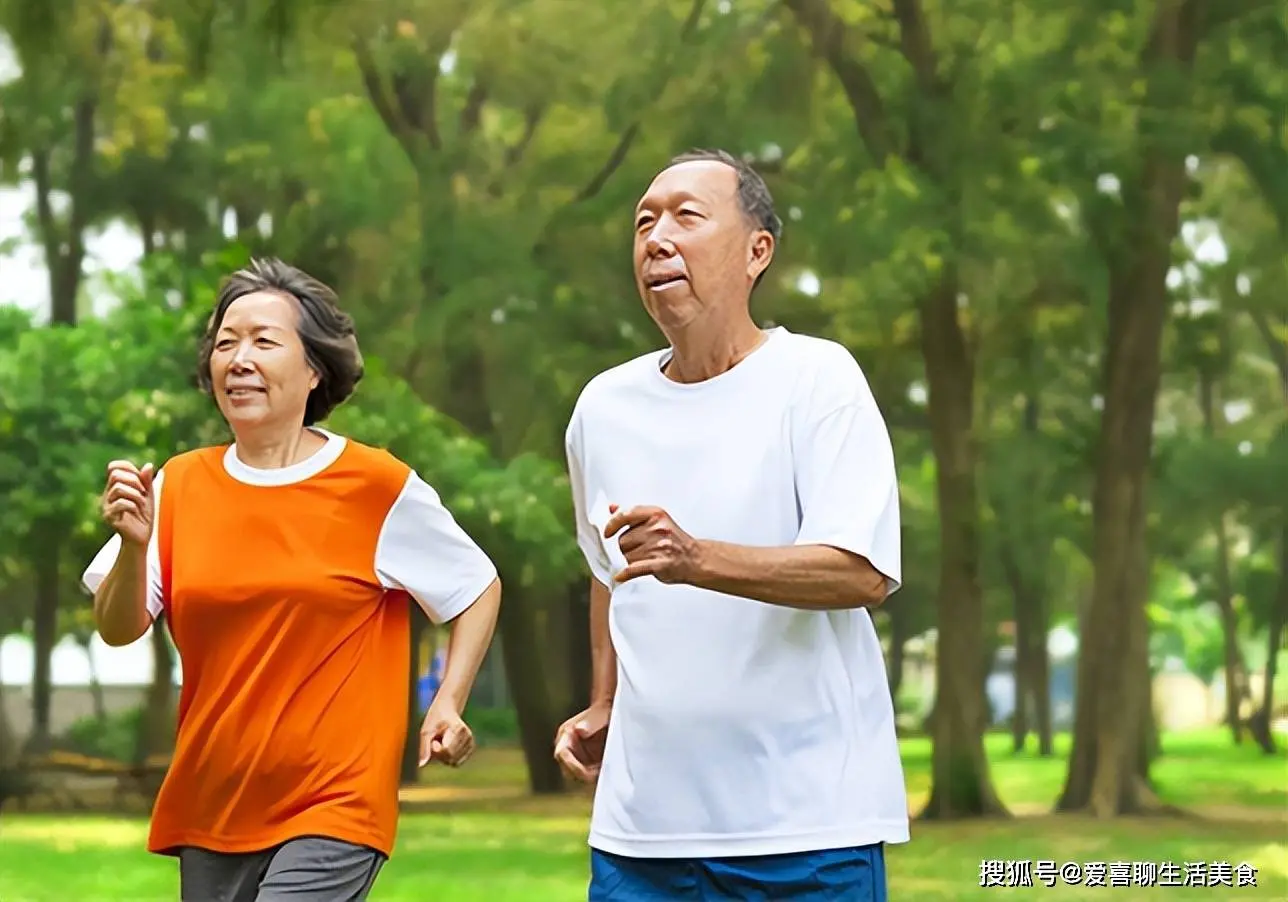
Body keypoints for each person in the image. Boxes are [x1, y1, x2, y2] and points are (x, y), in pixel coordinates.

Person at [83, 258, 502, 902]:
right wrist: (136, 548)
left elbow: (475, 585)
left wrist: (448, 700)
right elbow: (117, 628)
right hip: (215, 804)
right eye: (226, 343)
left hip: (334, 803)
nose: (239, 358)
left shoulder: (375, 486)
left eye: (263, 341)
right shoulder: (178, 484)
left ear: (313, 370)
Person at [554, 149, 908, 901]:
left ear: (758, 251)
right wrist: (605, 700)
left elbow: (861, 570)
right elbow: (608, 571)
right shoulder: (603, 407)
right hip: (640, 835)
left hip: (805, 828)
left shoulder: (818, 380)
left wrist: (698, 558)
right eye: (644, 221)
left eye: (687, 215)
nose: (656, 238)